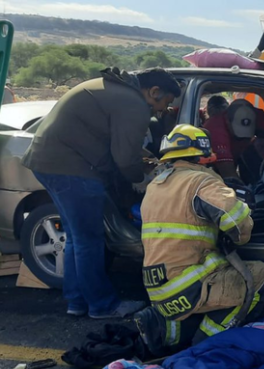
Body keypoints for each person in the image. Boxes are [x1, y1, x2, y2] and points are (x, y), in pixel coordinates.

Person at [21, 67, 181, 318]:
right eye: (164, 103)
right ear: (154, 91)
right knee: (89, 240)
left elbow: (115, 141)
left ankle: (77, 301)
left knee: (77, 238)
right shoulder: (134, 104)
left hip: (48, 162)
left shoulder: (111, 88)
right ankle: (102, 305)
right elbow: (125, 158)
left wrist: (141, 159)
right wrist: (143, 179)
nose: (161, 111)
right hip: (73, 169)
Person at [134, 124, 264, 353]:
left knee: (213, 270)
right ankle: (208, 343)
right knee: (261, 276)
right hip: (188, 288)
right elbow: (237, 223)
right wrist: (243, 219)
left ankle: (169, 334)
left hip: (158, 291)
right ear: (202, 156)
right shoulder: (200, 181)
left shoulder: (155, 186)